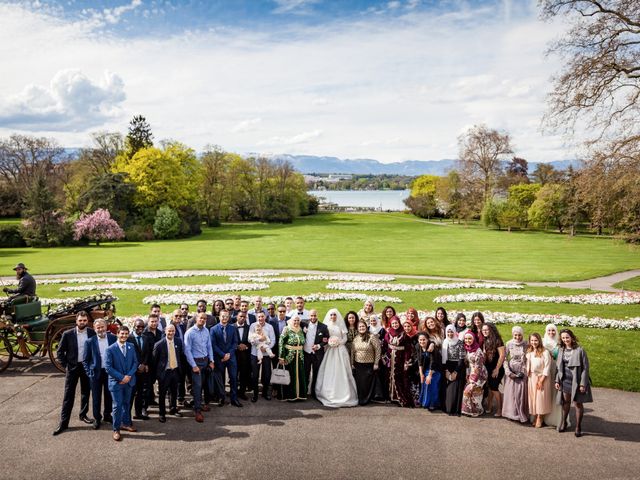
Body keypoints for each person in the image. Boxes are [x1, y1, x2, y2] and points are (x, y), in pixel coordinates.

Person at [53, 311, 95, 436]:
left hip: (86, 367)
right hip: (72, 368)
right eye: (80, 320)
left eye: (84, 320)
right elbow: (60, 352)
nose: (82, 322)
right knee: (68, 395)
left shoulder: (92, 333)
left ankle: (83, 415)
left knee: (86, 392)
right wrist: (66, 366)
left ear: (87, 321)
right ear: (76, 321)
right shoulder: (67, 334)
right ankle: (64, 422)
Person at [314, 308, 358, 408]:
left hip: (340, 350)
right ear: (329, 316)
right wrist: (329, 343)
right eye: (331, 315)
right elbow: (325, 338)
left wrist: (338, 343)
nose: (333, 316)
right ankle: (328, 393)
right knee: (330, 371)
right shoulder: (326, 326)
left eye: (334, 315)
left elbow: (345, 338)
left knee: (341, 370)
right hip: (330, 351)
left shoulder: (340, 326)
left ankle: (344, 393)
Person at [555, 329, 592, 437]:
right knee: (566, 402)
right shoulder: (561, 350)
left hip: (576, 380)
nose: (565, 339)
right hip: (565, 380)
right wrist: (557, 380)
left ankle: (578, 427)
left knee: (577, 403)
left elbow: (586, 368)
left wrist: (582, 384)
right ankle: (564, 422)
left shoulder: (580, 350)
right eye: (563, 338)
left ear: (571, 337)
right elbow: (558, 367)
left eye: (567, 337)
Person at [105, 325, 138, 441]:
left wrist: (129, 376)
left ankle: (126, 423)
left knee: (127, 404)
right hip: (116, 382)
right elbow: (108, 368)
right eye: (122, 334)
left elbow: (135, 362)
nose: (124, 336)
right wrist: (122, 377)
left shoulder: (131, 346)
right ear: (117, 334)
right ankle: (116, 429)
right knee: (117, 406)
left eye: (126, 334)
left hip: (129, 381)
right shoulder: (110, 349)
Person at [82, 318, 117, 430]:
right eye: (98, 328)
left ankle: (107, 415)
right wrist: (89, 373)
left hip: (109, 372)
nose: (101, 329)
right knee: (96, 397)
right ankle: (97, 418)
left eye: (102, 327)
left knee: (109, 395)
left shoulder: (113, 338)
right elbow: (85, 360)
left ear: (106, 327)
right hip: (95, 373)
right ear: (94, 329)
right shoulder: (89, 342)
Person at [184, 312, 215, 422]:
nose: (202, 320)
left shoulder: (206, 330)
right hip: (196, 363)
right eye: (200, 318)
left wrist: (211, 360)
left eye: (204, 318)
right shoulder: (190, 333)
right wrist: (193, 365)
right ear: (196, 319)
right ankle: (197, 411)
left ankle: (200, 404)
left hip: (206, 361)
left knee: (205, 386)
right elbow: (187, 350)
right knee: (197, 387)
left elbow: (209, 346)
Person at [152, 324, 183, 422]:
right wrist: (158, 375)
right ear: (165, 331)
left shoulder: (178, 341)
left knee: (174, 392)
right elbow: (154, 361)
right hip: (164, 373)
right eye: (169, 331)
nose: (171, 333)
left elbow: (180, 355)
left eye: (173, 331)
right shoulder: (159, 344)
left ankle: (173, 409)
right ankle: (162, 413)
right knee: (162, 394)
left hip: (175, 371)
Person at [210, 310, 242, 407]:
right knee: (220, 379)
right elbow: (213, 345)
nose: (225, 318)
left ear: (229, 317)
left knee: (233, 378)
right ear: (219, 317)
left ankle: (234, 398)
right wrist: (223, 355)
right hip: (219, 358)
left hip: (231, 357)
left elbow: (235, 342)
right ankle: (221, 397)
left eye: (227, 316)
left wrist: (228, 354)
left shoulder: (232, 328)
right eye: (223, 316)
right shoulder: (213, 329)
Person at [384, 316, 414, 408]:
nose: (395, 325)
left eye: (396, 323)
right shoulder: (388, 334)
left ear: (399, 323)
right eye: (393, 323)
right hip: (390, 360)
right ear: (391, 324)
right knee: (389, 377)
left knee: (398, 378)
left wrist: (406, 361)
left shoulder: (404, 334)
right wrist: (385, 357)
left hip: (400, 361)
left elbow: (408, 349)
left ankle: (400, 398)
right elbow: (385, 346)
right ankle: (391, 396)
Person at [350, 319, 381, 405]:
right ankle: (360, 398)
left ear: (366, 327)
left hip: (369, 364)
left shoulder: (371, 337)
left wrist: (376, 363)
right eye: (359, 327)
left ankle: (367, 399)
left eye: (363, 326)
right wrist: (352, 363)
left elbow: (378, 349)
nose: (361, 328)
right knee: (360, 384)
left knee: (367, 383)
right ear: (357, 328)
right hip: (358, 364)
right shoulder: (356, 338)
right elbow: (353, 351)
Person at [502, 326, 529, 423]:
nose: (517, 337)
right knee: (511, 393)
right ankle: (511, 413)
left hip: (522, 370)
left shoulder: (526, 344)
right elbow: (504, 359)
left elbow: (529, 358)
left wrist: (524, 371)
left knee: (520, 393)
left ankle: (521, 413)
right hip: (512, 370)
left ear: (522, 334)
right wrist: (508, 372)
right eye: (515, 335)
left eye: (519, 335)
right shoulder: (509, 343)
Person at [277, 316, 307, 401]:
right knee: (290, 375)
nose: (296, 322)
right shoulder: (286, 329)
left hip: (300, 356)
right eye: (295, 320)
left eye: (298, 320)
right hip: (289, 356)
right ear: (291, 321)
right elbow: (281, 342)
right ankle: (289, 395)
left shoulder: (300, 330)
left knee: (300, 375)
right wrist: (281, 356)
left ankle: (299, 395)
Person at [128, 318, 152, 420]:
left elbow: (147, 353)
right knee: (130, 394)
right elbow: (128, 355)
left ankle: (138, 413)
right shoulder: (129, 338)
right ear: (134, 326)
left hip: (142, 371)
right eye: (138, 326)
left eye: (142, 327)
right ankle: (127, 416)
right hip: (132, 371)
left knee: (140, 393)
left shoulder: (146, 338)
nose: (140, 328)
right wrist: (137, 365)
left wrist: (144, 364)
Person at [526, 333, 552, 428]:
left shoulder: (545, 352)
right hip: (532, 377)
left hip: (542, 377)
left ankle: (540, 417)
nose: (534, 342)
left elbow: (547, 367)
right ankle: (536, 415)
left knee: (540, 398)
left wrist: (541, 380)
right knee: (533, 397)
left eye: (536, 340)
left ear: (539, 341)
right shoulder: (529, 351)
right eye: (532, 340)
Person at [301, 309, 329, 398]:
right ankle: (304, 391)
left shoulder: (323, 327)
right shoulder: (303, 323)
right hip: (306, 353)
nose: (313, 317)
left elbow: (326, 339)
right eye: (311, 316)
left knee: (316, 373)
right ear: (309, 316)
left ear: (317, 315)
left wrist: (319, 346)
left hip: (317, 354)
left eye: (314, 315)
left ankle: (314, 392)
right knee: (306, 373)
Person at [249, 311, 276, 402]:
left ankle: (265, 393)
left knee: (267, 374)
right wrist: (259, 340)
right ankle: (255, 394)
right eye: (259, 317)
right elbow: (250, 339)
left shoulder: (269, 327)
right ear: (257, 317)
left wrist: (267, 348)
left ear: (265, 317)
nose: (260, 318)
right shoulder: (253, 326)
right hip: (255, 353)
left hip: (266, 354)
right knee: (255, 375)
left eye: (262, 317)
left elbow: (273, 340)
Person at [542, 324, 565, 428]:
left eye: (553, 330)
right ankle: (542, 415)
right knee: (545, 392)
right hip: (544, 368)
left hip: (556, 368)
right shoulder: (542, 341)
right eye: (549, 330)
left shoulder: (560, 343)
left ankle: (554, 418)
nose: (551, 332)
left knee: (555, 392)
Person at [480, 322, 505, 417]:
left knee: (494, 388)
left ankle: (500, 409)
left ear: (491, 330)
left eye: (486, 330)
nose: (484, 331)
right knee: (490, 387)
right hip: (488, 367)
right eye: (483, 330)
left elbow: (502, 355)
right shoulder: (486, 340)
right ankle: (489, 405)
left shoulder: (498, 340)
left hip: (496, 368)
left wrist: (497, 369)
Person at [461, 331, 487, 417]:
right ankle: (470, 411)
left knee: (471, 391)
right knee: (471, 393)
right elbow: (468, 364)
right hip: (472, 372)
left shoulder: (478, 351)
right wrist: (467, 375)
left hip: (480, 375)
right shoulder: (467, 348)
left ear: (473, 339)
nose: (467, 340)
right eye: (466, 339)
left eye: (470, 339)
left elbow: (478, 367)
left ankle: (478, 411)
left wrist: (473, 381)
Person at [442, 324, 466, 416]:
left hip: (458, 367)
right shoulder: (445, 342)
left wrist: (455, 372)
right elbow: (443, 360)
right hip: (447, 366)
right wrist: (447, 371)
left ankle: (456, 409)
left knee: (456, 387)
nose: (450, 333)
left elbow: (461, 360)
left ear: (455, 332)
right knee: (448, 388)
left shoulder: (459, 342)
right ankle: (448, 408)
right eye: (448, 331)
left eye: (451, 331)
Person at [417, 333, 442, 410]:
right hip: (425, 369)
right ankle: (424, 402)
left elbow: (433, 362)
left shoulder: (432, 348)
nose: (422, 341)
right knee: (424, 383)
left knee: (431, 383)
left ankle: (434, 404)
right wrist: (421, 374)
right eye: (420, 340)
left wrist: (430, 375)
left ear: (428, 340)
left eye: (424, 339)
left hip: (435, 369)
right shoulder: (418, 347)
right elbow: (419, 361)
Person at [235, 311, 252, 400]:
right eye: (240, 316)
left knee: (244, 374)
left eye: (244, 317)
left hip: (245, 355)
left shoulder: (249, 328)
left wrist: (246, 346)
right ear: (237, 317)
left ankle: (242, 392)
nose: (242, 318)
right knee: (233, 375)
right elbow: (229, 340)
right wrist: (237, 346)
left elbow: (252, 341)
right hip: (234, 355)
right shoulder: (231, 327)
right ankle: (233, 392)